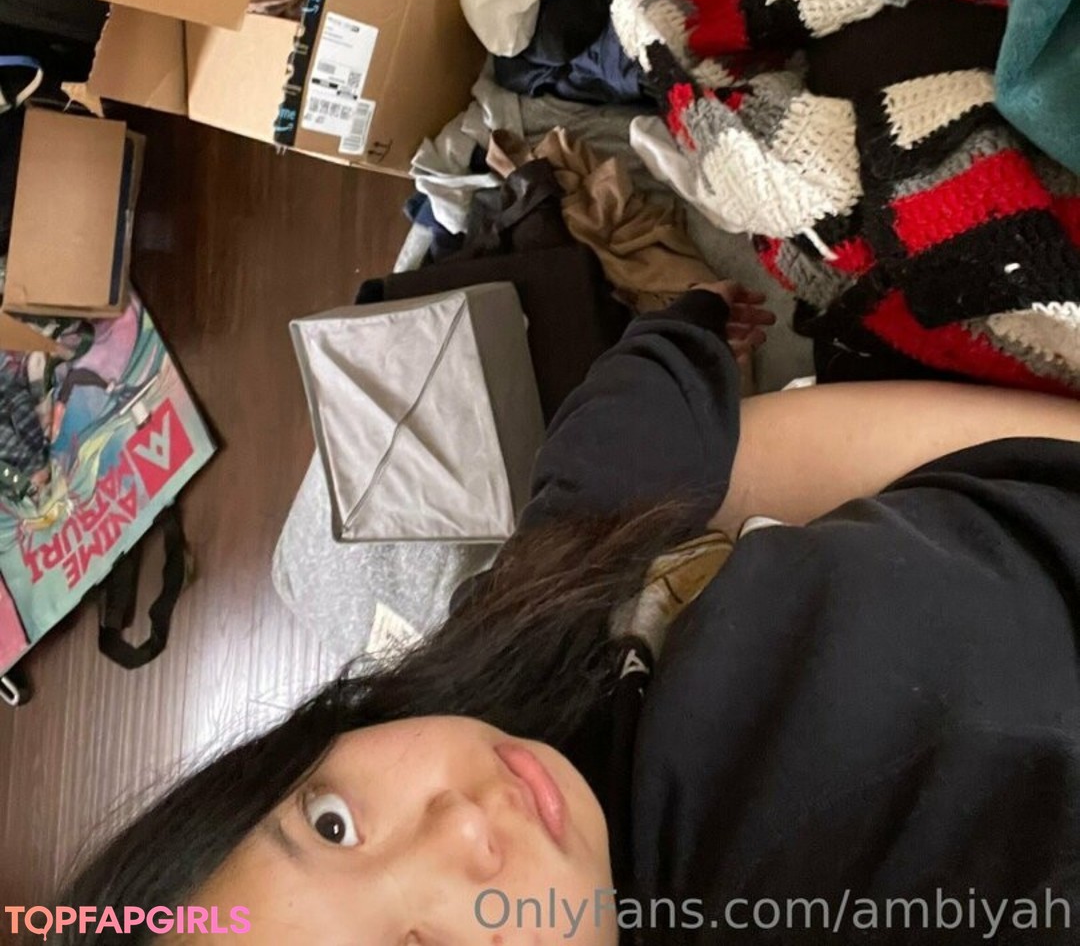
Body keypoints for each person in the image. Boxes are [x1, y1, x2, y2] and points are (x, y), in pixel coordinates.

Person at [58, 284, 1080, 945]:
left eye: (332, 824)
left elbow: (609, 471)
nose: (461, 824)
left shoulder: (516, 670)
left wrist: (686, 320)